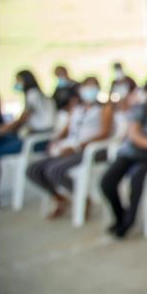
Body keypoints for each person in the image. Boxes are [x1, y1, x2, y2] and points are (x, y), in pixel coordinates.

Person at [26, 76, 114, 219]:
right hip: (69, 147)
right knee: (33, 170)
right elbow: (66, 130)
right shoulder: (76, 109)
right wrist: (55, 141)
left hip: (89, 149)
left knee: (54, 170)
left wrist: (78, 146)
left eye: (93, 86)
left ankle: (83, 198)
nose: (90, 90)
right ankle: (59, 198)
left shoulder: (104, 108)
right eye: (87, 86)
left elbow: (105, 133)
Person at [101, 77, 147, 238]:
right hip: (132, 152)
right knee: (107, 182)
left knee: (137, 182)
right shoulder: (140, 110)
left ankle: (129, 222)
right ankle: (120, 216)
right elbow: (134, 134)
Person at [0, 70, 56, 156]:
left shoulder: (32, 95)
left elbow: (23, 118)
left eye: (18, 80)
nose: (16, 83)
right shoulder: (36, 94)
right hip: (40, 134)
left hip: (40, 136)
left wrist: (9, 128)